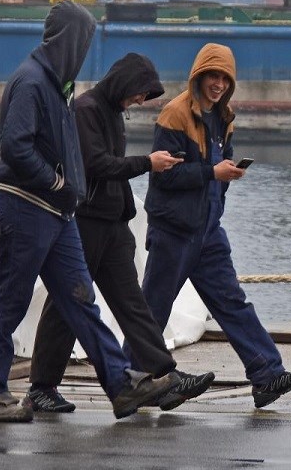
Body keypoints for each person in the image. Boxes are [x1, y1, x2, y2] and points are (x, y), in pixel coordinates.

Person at [0, 2, 177, 423]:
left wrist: (66, 193)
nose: (85, 52)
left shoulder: (58, 86)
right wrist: (58, 183)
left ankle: (120, 385)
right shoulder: (31, 82)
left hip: (57, 214)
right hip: (27, 206)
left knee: (82, 302)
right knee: (10, 299)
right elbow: (15, 146)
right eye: (83, 42)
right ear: (69, 41)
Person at [25, 52, 216, 414]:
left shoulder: (110, 111)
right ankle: (42, 386)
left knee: (133, 305)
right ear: (124, 84)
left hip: (112, 226)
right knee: (66, 305)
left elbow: (108, 166)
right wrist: (148, 163)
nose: (141, 102)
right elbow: (96, 164)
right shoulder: (86, 110)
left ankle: (164, 375)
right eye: (140, 94)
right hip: (85, 224)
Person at [142, 42, 291, 409]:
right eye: (212, 76)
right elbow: (164, 176)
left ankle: (266, 374)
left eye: (224, 78)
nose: (217, 84)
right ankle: (139, 381)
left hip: (208, 230)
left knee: (233, 302)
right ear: (198, 76)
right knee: (153, 309)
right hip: (173, 230)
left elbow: (217, 169)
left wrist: (225, 176)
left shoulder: (225, 117)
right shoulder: (174, 115)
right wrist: (211, 173)